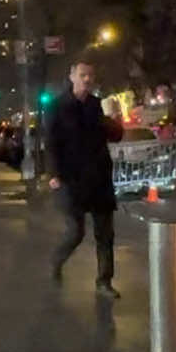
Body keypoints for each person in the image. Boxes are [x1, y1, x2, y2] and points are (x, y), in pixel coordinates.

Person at [46, 57, 124, 298]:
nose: (87, 80)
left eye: (90, 75)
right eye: (83, 75)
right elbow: (51, 142)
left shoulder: (96, 105)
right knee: (76, 232)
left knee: (105, 234)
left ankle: (104, 281)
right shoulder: (58, 106)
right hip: (72, 178)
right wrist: (54, 174)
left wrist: (115, 118)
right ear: (72, 76)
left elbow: (115, 136)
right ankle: (57, 260)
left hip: (99, 177)